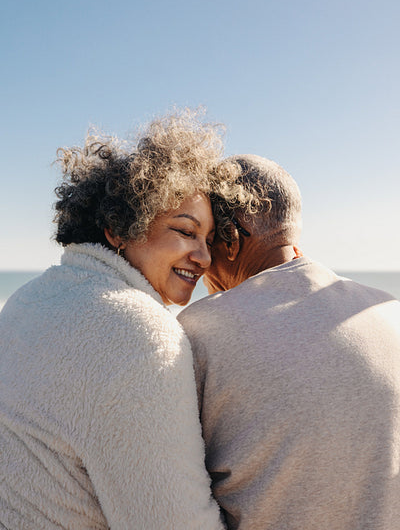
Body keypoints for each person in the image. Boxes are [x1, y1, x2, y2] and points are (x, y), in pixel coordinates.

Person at [0, 110, 243, 529]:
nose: (204, 257)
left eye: (209, 240)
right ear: (119, 229)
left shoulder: (29, 299)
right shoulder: (138, 332)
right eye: (185, 231)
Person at [178, 154, 400, 530]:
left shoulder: (199, 330)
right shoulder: (390, 311)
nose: (201, 264)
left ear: (230, 239)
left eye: (208, 239)